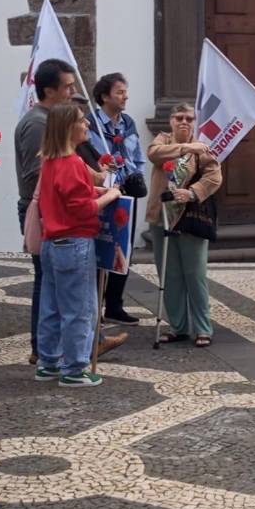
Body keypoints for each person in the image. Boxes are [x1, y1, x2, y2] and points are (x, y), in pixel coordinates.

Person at [35, 103, 123, 386]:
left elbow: (65, 196)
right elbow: (82, 208)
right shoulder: (72, 163)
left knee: (52, 305)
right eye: (82, 121)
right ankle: (74, 369)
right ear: (68, 128)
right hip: (74, 241)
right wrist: (110, 196)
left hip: (52, 242)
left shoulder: (50, 161)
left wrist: (96, 189)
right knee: (80, 308)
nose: (86, 125)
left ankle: (48, 362)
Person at [15, 59, 78, 364]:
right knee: (47, 281)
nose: (72, 92)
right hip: (41, 213)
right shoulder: (38, 123)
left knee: (53, 280)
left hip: (49, 211)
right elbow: (32, 173)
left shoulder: (48, 120)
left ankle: (51, 345)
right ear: (49, 90)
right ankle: (43, 347)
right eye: (67, 86)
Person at [146, 104, 223, 346]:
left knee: (195, 274)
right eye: (179, 118)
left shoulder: (202, 147)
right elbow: (154, 153)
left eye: (189, 118)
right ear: (170, 121)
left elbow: (215, 176)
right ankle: (178, 326)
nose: (184, 122)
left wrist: (192, 193)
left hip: (189, 219)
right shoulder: (163, 141)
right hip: (162, 218)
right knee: (169, 275)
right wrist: (186, 147)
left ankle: (202, 327)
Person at [89, 73, 146, 326]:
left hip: (127, 193)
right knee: (100, 248)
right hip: (101, 193)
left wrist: (137, 178)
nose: (126, 96)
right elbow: (89, 159)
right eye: (120, 92)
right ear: (104, 96)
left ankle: (115, 304)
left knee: (123, 249)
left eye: (126, 91)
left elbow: (137, 156)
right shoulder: (90, 124)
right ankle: (93, 305)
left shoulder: (128, 123)